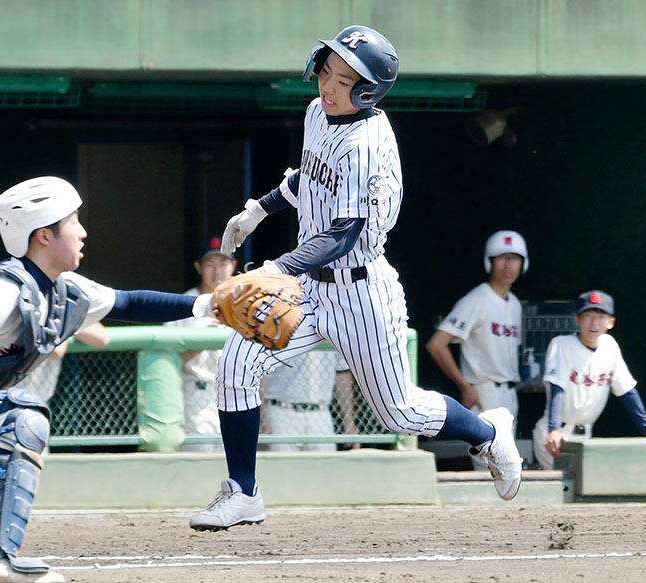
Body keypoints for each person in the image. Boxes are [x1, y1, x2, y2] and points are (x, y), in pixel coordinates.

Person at [189, 24, 523, 532]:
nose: (327, 85)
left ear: (368, 90)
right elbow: (309, 176)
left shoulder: (367, 142)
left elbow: (343, 234)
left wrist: (276, 269)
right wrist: (260, 208)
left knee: (400, 414)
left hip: (362, 291)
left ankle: (487, 433)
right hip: (312, 287)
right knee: (236, 366)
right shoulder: (316, 114)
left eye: (343, 80)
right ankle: (243, 493)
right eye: (326, 72)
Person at [0, 176, 213, 583]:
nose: (84, 231)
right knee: (20, 414)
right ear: (45, 236)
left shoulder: (62, 290)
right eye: (74, 222)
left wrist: (212, 304)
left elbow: (130, 301)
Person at [425, 230, 527, 469]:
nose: (508, 265)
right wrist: (464, 385)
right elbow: (437, 344)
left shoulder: (514, 304)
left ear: (523, 263)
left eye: (515, 258)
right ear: (489, 262)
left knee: (507, 468)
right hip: (484, 393)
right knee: (490, 467)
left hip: (509, 393)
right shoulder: (478, 298)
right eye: (501, 257)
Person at [532, 290, 646, 470]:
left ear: (611, 322)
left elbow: (627, 391)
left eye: (601, 316)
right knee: (568, 490)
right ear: (576, 319)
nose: (594, 322)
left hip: (585, 437)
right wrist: (553, 430)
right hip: (557, 435)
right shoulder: (562, 344)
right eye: (588, 315)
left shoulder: (610, 346)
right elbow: (558, 387)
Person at [165, 237, 237, 452]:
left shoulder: (245, 305)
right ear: (198, 267)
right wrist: (204, 338)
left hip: (234, 395)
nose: (217, 272)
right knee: (199, 464)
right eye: (210, 264)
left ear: (233, 266)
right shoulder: (182, 305)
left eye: (223, 264)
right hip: (197, 394)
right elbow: (169, 361)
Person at [262, 351, 359, 452]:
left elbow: (342, 372)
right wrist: (263, 417)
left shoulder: (335, 335)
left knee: (325, 465)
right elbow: (260, 370)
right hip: (281, 410)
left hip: (321, 413)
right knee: (280, 465)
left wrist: (349, 421)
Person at [19, 322, 109, 404]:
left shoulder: (62, 311)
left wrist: (68, 321)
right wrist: (66, 327)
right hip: (9, 398)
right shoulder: (23, 309)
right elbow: (56, 351)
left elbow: (102, 338)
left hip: (38, 403)